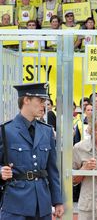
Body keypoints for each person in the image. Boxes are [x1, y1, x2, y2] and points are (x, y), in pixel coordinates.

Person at [0, 83, 64, 219]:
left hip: (42, 204)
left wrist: (57, 201)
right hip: (15, 204)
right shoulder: (5, 130)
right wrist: (1, 172)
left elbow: (52, 170)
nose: (44, 105)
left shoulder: (46, 131)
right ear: (26, 100)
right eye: (40, 101)